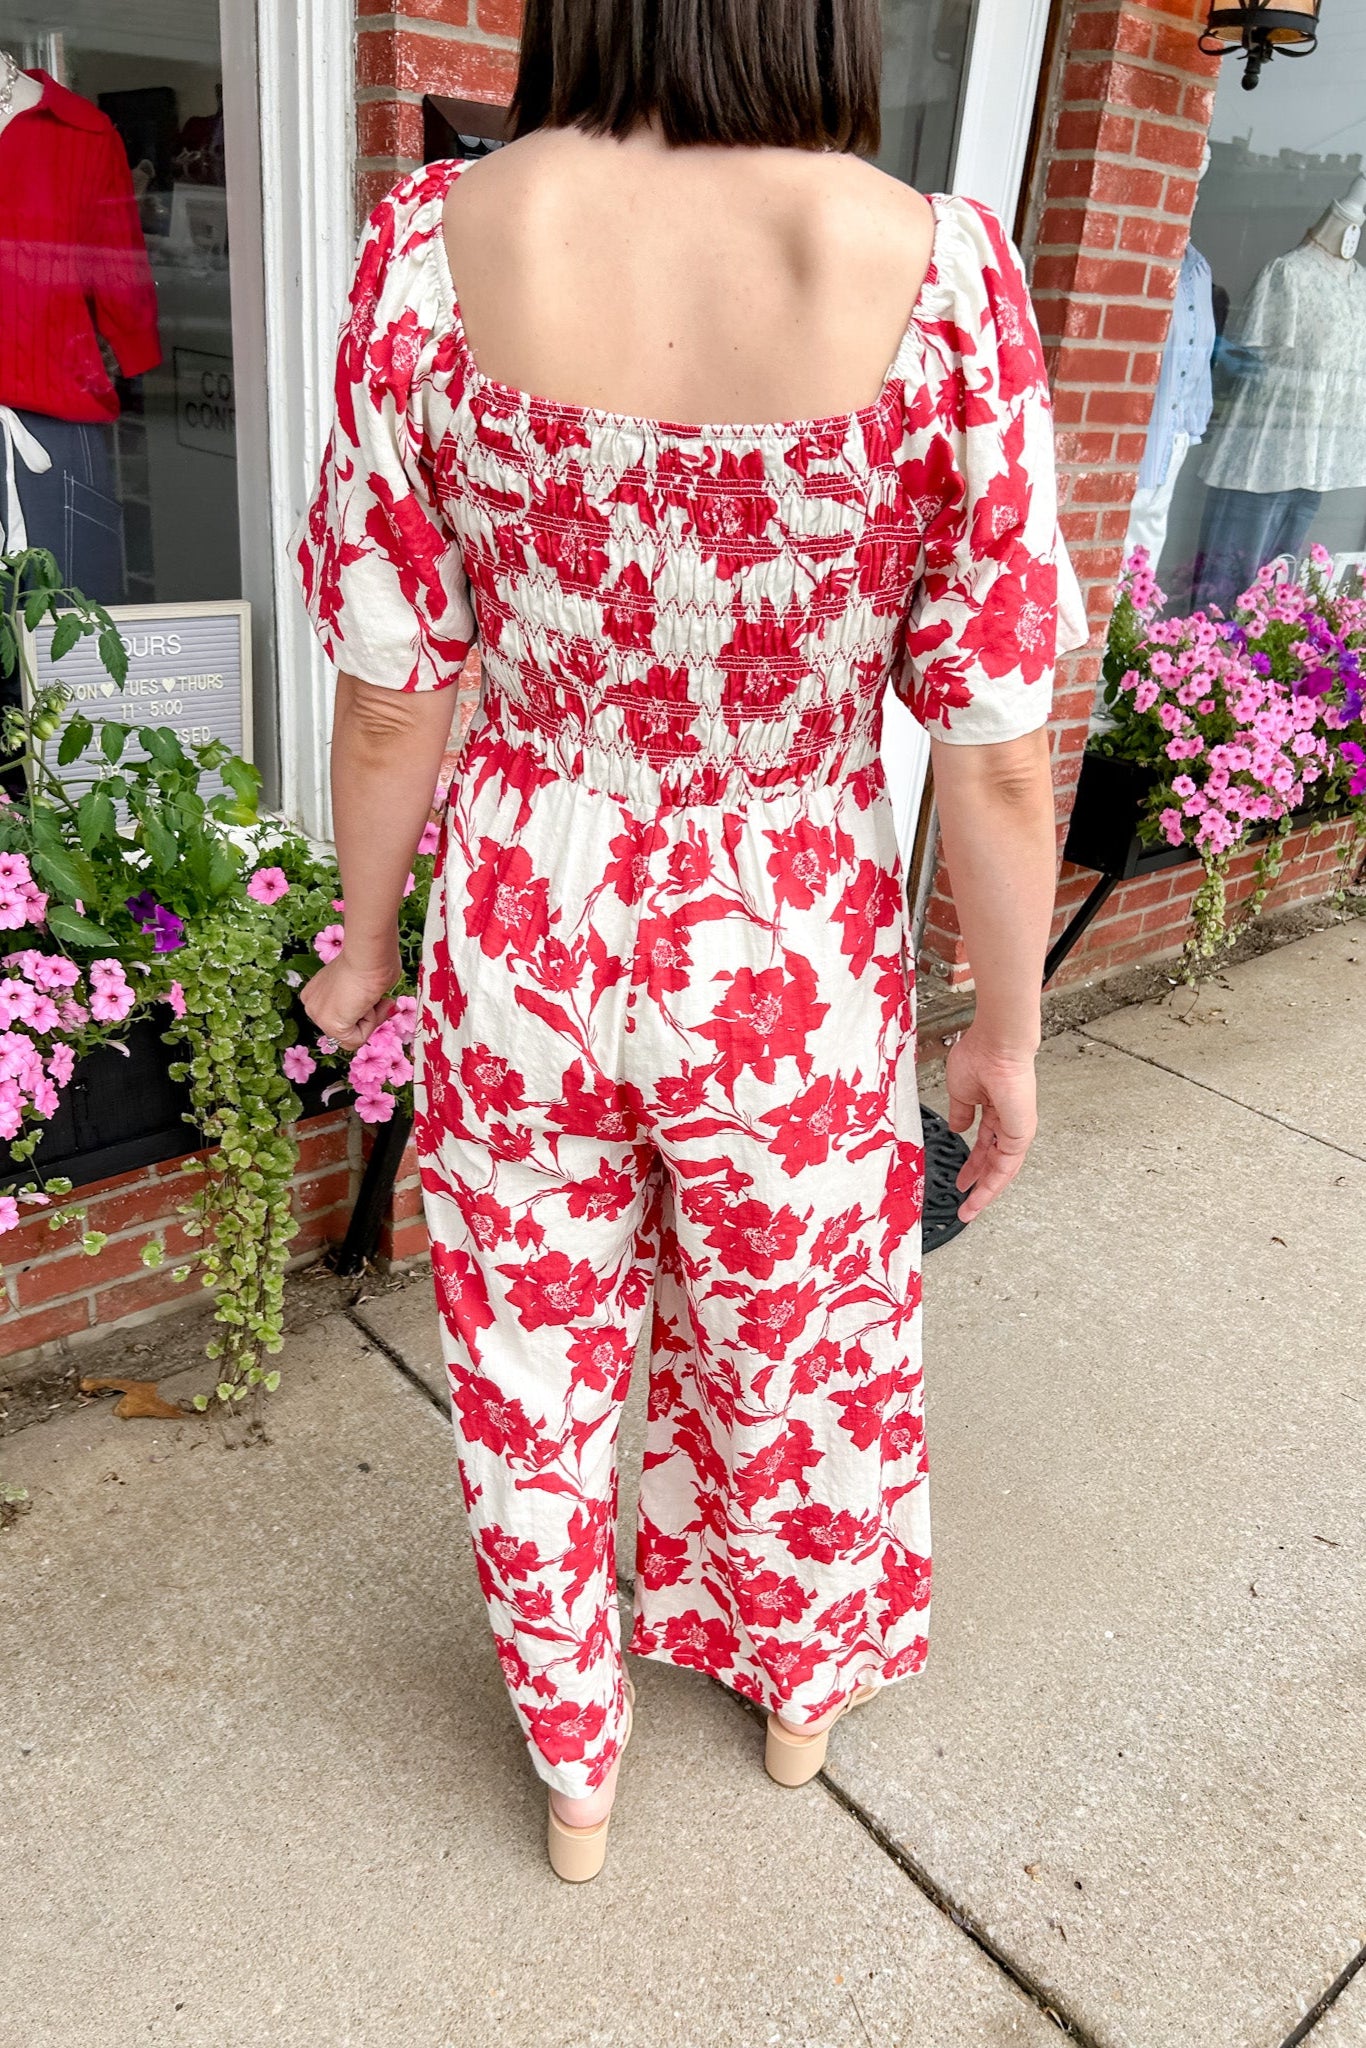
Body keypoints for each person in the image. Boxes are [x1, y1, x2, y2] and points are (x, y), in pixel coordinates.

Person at [295, 0, 1087, 1883]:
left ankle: (577, 1764)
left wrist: (360, 944)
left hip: (523, 911)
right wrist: (1004, 1031)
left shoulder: (431, 249)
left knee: (530, 1349)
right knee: (795, 1340)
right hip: (787, 930)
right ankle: (798, 1688)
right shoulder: (942, 272)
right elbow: (991, 747)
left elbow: (396, 691)